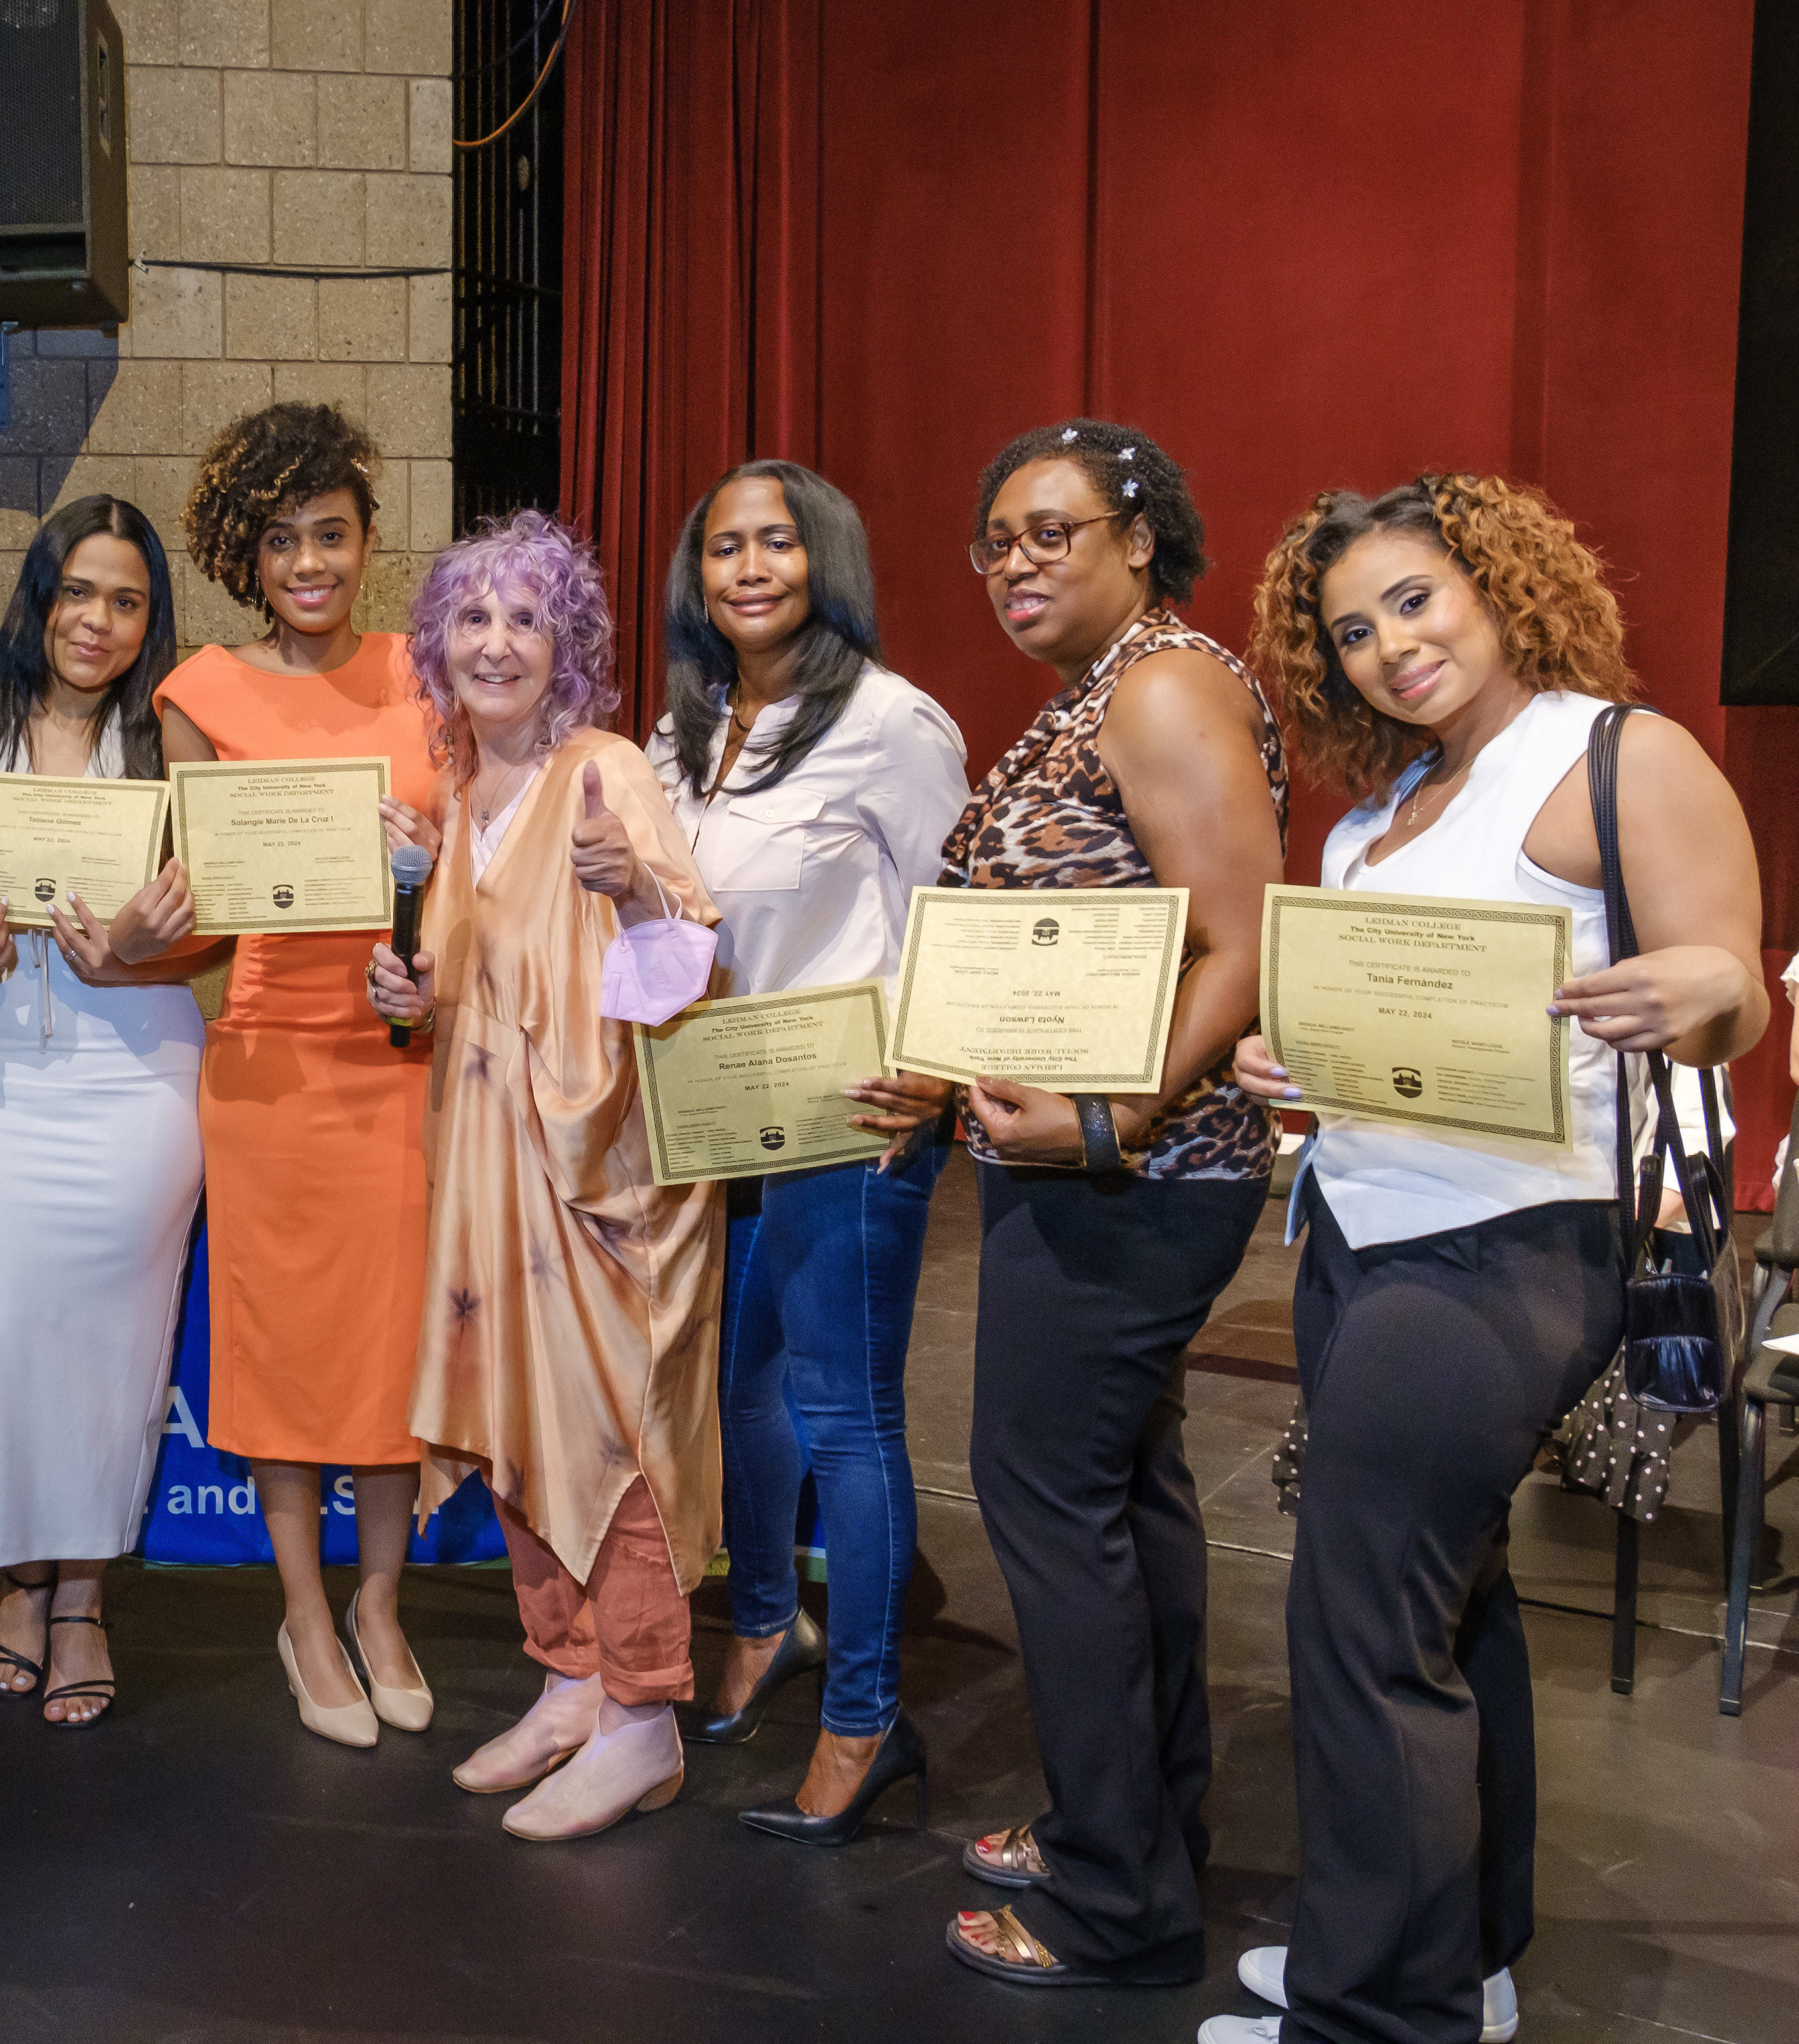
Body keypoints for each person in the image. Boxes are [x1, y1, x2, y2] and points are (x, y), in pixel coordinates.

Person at [1207, 476, 1765, 2044]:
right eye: (1351, 633)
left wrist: (1702, 987)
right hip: (1356, 1228)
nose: (1390, 647)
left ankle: (1371, 2015)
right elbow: (1382, 1042)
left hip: (1511, 1249)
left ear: (1495, 585)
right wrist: (1291, 1068)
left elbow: (1732, 987)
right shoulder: (1373, 814)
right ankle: (1458, 1959)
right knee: (1449, 1604)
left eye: (1412, 601)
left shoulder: (1613, 756)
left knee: (1360, 1620)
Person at [851, 420, 1289, 1988]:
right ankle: (1135, 1825)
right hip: (1090, 1164)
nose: (1016, 564)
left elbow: (1241, 943)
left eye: (1052, 532)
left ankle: (1115, 1902)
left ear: (1138, 537)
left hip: (1137, 1176)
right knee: (1118, 1494)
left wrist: (1107, 1119)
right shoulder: (1093, 701)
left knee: (1043, 1499)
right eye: (995, 542)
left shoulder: (1162, 684)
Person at [368, 509, 724, 1840]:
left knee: (603, 1440)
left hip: (592, 1185)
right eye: (471, 617)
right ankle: (570, 1678)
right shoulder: (449, 803)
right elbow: (454, 995)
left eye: (526, 617)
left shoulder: (604, 771)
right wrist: (398, 990)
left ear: (564, 646)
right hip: (479, 1183)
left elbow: (684, 963)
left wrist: (631, 884)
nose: (496, 641)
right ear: (437, 647)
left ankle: (643, 1716)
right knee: (513, 1425)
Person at [645, 462, 969, 1841]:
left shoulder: (892, 725)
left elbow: (955, 913)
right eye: (723, 547)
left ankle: (864, 1714)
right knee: (748, 1397)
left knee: (844, 1414)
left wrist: (937, 1072)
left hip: (851, 1115)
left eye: (775, 541)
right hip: (722, 1112)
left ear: (822, 558)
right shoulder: (682, 731)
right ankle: (767, 1622)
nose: (747, 567)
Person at [0, 495, 206, 1727]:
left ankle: (76, 1596)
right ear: (40, 593)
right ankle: (20, 1571)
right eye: (80, 590)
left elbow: (214, 932)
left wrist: (135, 945)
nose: (100, 621)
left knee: (119, 1348)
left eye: (127, 600)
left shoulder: (176, 744)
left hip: (137, 1080)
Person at [154, 403, 440, 1745]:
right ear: (246, 555)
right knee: (277, 1349)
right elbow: (205, 915)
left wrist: (425, 884)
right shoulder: (199, 692)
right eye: (282, 541)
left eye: (331, 534)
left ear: (367, 541)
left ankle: (378, 1602)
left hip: (401, 1052)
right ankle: (304, 1613)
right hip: (268, 1065)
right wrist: (150, 923)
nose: (309, 562)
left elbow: (484, 873)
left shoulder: (429, 675)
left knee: (390, 1349)